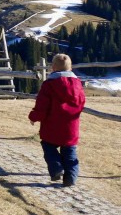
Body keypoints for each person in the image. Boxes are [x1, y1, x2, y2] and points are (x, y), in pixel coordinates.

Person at [29, 53, 86, 187]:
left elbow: (42, 106)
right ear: (70, 68)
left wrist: (33, 117)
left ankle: (56, 169)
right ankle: (71, 177)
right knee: (70, 152)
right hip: (71, 127)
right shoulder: (77, 84)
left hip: (51, 126)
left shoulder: (49, 84)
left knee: (48, 147)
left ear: (53, 68)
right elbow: (82, 101)